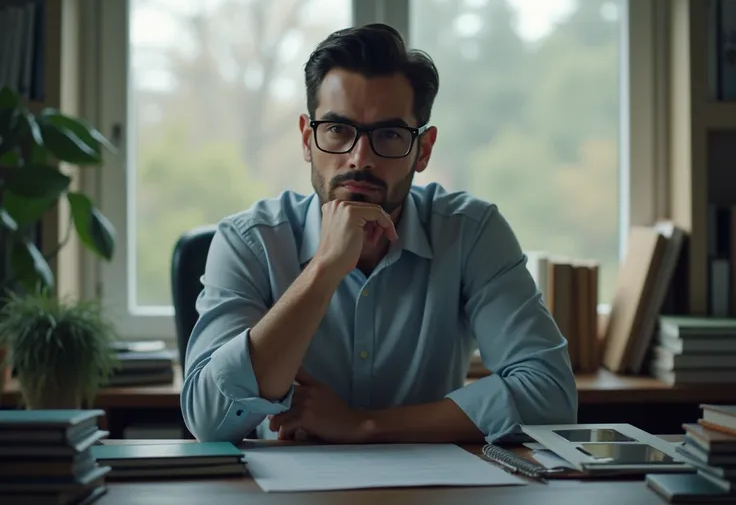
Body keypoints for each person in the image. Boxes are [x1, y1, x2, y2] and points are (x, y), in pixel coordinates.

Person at [181, 23, 577, 445]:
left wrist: (363, 426)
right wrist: (324, 269)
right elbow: (209, 419)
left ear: (422, 150)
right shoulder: (249, 241)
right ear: (306, 139)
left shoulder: (470, 233)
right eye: (337, 130)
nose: (359, 158)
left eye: (388, 134)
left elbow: (551, 395)